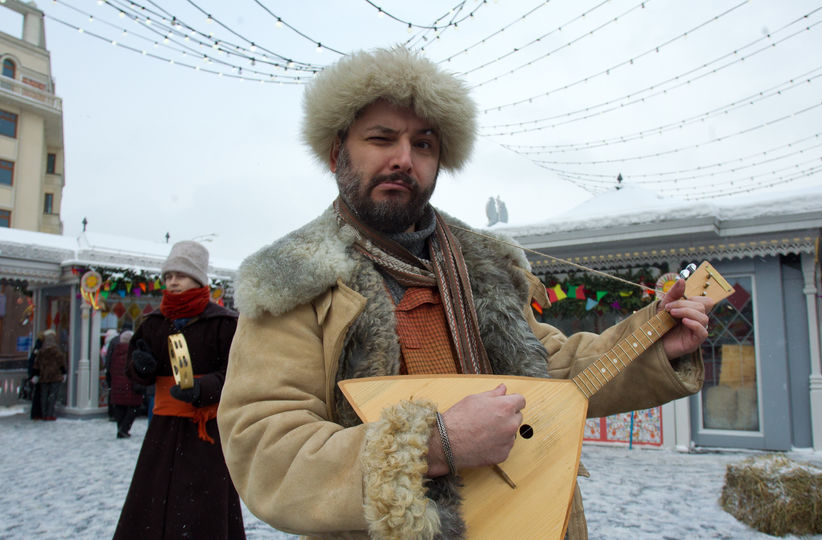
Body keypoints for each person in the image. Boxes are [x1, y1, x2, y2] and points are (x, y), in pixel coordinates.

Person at [217, 46, 712, 539]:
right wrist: (434, 444)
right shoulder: (292, 278)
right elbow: (268, 449)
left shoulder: (485, 263)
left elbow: (550, 374)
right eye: (381, 138)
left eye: (423, 145)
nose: (403, 159)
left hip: (528, 515)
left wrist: (656, 343)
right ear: (336, 153)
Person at [114, 241, 245, 539]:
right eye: (169, 275)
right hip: (162, 431)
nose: (173, 281)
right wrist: (141, 368)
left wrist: (203, 389)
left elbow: (238, 373)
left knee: (202, 510)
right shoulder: (153, 323)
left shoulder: (224, 323)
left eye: (181, 275)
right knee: (152, 501)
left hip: (205, 433)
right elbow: (135, 372)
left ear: (198, 279)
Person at [106, 330, 142, 438]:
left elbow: (109, 368)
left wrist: (111, 383)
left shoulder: (115, 351)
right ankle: (124, 429)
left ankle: (121, 428)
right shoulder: (133, 353)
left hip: (117, 385)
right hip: (130, 385)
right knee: (133, 408)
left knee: (120, 407)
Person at [31, 329, 66, 421]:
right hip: (55, 376)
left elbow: (36, 364)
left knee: (44, 396)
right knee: (52, 396)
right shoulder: (57, 351)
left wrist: (36, 374)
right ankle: (49, 414)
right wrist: (64, 373)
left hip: (44, 376)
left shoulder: (41, 351)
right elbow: (61, 363)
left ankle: (44, 413)